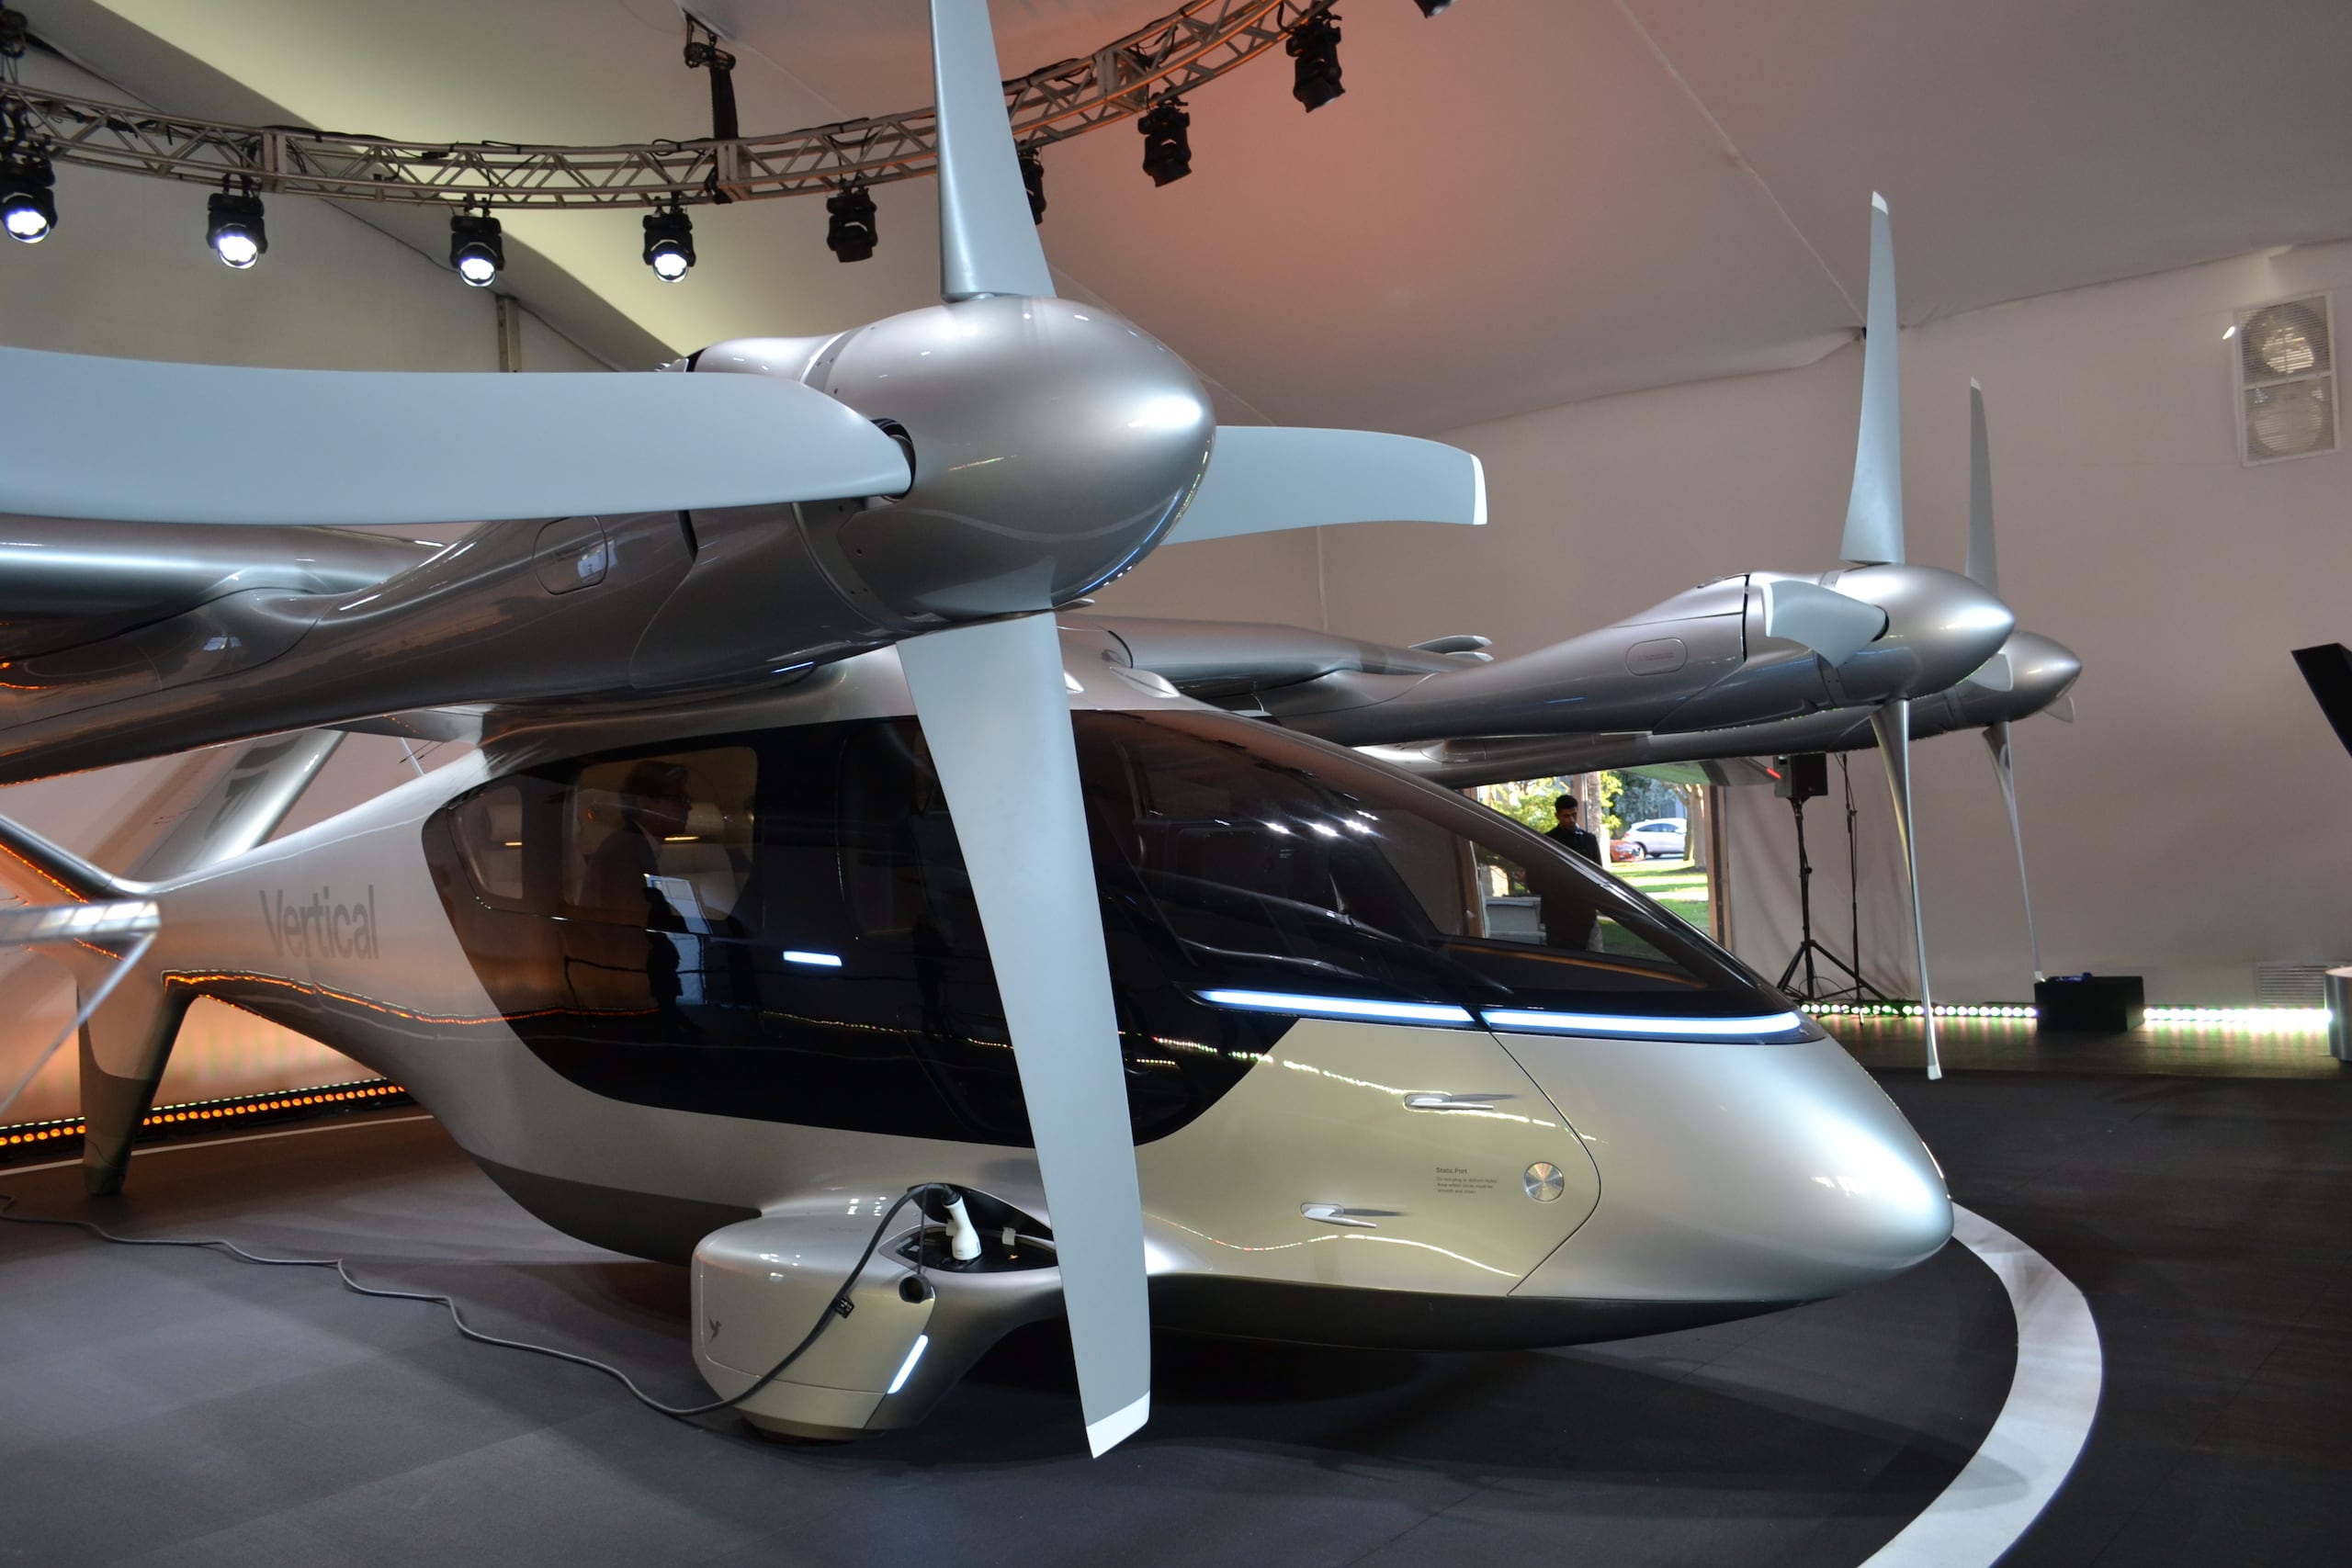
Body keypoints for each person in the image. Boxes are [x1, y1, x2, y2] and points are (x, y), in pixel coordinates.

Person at [583, 759, 695, 1032]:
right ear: (645, 802)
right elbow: (629, 942)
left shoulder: (636, 846)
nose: (689, 806)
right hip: (638, 1000)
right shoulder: (624, 853)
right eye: (679, 798)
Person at [1541, 794, 1601, 951]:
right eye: (1566, 816)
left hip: (1585, 911)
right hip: (1557, 913)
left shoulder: (1589, 839)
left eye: (1574, 815)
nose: (1571, 820)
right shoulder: (1548, 841)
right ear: (1557, 816)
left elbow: (1598, 871)